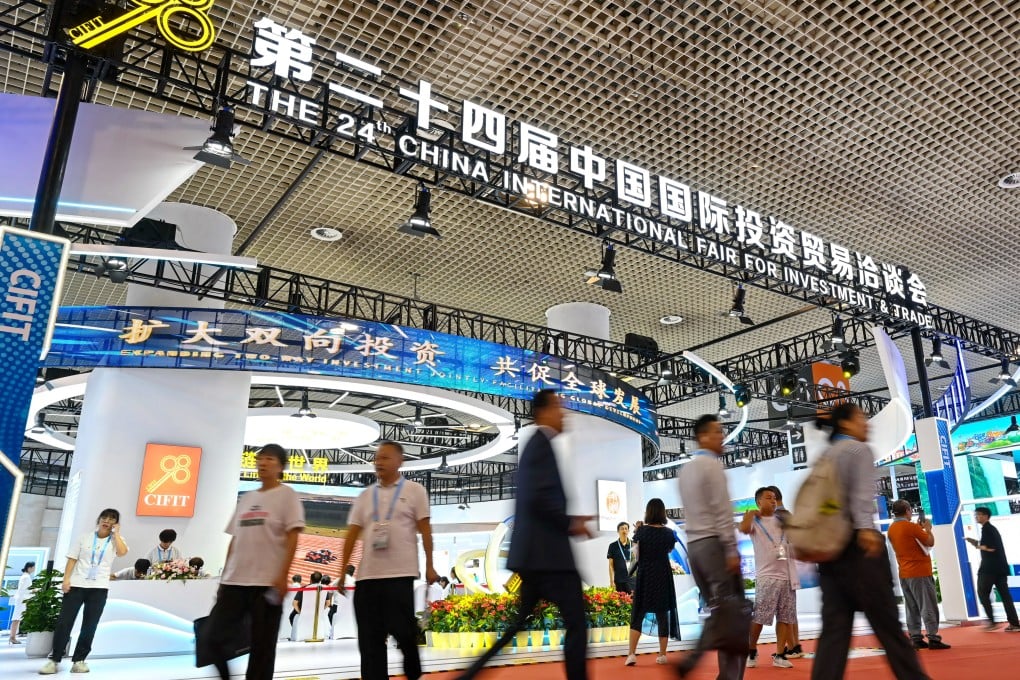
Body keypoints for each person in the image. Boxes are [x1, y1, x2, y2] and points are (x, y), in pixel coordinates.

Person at [456, 389, 593, 680]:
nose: (563, 413)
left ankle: (468, 675)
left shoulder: (537, 445)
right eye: (558, 407)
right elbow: (541, 498)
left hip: (534, 556)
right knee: (577, 624)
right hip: (550, 559)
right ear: (543, 412)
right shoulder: (540, 446)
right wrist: (571, 522)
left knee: (518, 626)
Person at [809, 404, 929, 680]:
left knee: (835, 631)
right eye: (861, 418)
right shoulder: (858, 450)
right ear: (846, 424)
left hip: (830, 550)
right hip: (859, 548)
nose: (867, 424)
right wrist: (864, 530)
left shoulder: (825, 456)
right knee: (887, 623)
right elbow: (862, 496)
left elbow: (824, 505)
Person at [338, 441, 439, 680]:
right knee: (369, 642)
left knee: (404, 633)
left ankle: (412, 667)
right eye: (377, 458)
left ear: (399, 461)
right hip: (367, 578)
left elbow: (425, 530)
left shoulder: (414, 491)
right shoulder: (365, 496)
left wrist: (429, 565)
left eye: (385, 458)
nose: (379, 462)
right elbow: (352, 534)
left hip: (399, 576)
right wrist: (342, 571)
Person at [204, 443, 305, 680]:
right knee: (211, 638)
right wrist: (224, 578)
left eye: (270, 459)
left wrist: (283, 575)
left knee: (262, 650)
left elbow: (293, 536)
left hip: (266, 584)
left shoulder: (287, 496)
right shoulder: (247, 498)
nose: (263, 463)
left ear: (281, 467)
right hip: (235, 582)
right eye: (260, 458)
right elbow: (235, 539)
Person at [676, 414, 746, 680]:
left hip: (695, 548)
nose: (722, 436)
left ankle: (722, 673)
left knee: (721, 611)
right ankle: (700, 661)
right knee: (731, 614)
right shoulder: (712, 467)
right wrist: (731, 549)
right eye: (717, 431)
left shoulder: (685, 471)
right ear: (702, 436)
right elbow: (722, 511)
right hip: (715, 545)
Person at [40, 508, 129, 674]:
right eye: (104, 517)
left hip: (99, 588)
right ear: (99, 519)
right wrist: (66, 579)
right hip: (76, 585)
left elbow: (122, 552)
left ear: (116, 523)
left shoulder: (116, 540)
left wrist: (116, 534)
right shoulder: (84, 537)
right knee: (64, 622)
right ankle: (54, 659)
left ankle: (79, 660)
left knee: (90, 625)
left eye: (112, 519)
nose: (107, 521)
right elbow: (72, 559)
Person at [739, 487, 799, 668]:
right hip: (766, 575)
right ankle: (751, 650)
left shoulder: (781, 520)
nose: (773, 501)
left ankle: (780, 654)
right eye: (768, 498)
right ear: (759, 501)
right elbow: (743, 529)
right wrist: (751, 514)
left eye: (774, 498)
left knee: (785, 617)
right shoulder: (754, 520)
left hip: (786, 575)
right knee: (760, 617)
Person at [886, 500, 949, 648]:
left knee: (911, 607)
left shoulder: (892, 529)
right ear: (907, 510)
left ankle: (916, 637)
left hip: (904, 572)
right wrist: (928, 529)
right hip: (920, 571)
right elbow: (930, 542)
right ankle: (933, 637)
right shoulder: (911, 527)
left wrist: (919, 529)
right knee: (928, 605)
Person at [625, 498, 678, 666]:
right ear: (663, 512)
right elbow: (669, 549)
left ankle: (631, 654)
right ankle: (662, 654)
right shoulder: (669, 533)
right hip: (662, 575)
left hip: (645, 575)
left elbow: (636, 554)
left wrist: (638, 530)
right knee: (662, 614)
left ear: (648, 512)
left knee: (638, 613)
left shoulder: (641, 531)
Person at [966, 506, 1020, 631]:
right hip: (1000, 568)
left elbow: (990, 548)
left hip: (989, 568)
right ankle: (1014, 623)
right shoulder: (991, 529)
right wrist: (977, 544)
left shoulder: (987, 529)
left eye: (978, 514)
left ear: (985, 516)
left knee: (983, 593)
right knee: (1005, 595)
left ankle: (991, 622)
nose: (976, 517)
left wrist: (977, 545)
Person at [766, 485, 802, 659]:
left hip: (781, 568)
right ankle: (794, 645)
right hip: (790, 565)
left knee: (784, 611)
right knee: (790, 610)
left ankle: (793, 646)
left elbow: (780, 543)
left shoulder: (776, 517)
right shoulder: (787, 515)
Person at [8, 561, 35, 644]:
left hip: (21, 599)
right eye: (33, 567)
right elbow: (24, 590)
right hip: (21, 600)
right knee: (16, 618)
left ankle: (13, 637)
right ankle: (12, 637)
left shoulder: (25, 576)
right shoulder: (26, 577)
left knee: (17, 618)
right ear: (29, 568)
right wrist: (34, 590)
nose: (34, 569)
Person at [608, 521, 634, 594]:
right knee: (620, 600)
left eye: (626, 529)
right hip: (619, 580)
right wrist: (611, 581)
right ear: (618, 531)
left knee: (633, 600)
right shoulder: (613, 546)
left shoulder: (634, 545)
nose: (624, 531)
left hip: (633, 581)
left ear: (628, 531)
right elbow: (611, 565)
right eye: (622, 529)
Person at [288, 574, 304, 641]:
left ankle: (294, 633)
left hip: (291, 606)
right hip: (299, 606)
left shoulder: (290, 587)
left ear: (293, 580)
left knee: (291, 617)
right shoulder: (301, 588)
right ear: (300, 580)